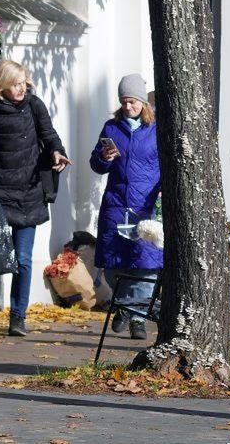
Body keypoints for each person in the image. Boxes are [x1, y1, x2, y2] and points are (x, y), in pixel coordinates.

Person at [0, 59, 71, 336]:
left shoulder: (34, 106)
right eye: (15, 84)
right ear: (1, 85)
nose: (21, 88)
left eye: (24, 83)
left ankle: (18, 317)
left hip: (28, 192)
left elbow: (49, 135)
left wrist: (57, 153)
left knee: (23, 259)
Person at [88, 74, 161, 341]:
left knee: (146, 265)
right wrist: (104, 157)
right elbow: (96, 165)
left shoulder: (156, 129)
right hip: (116, 204)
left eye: (132, 101)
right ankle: (125, 306)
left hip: (145, 206)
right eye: (124, 102)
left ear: (143, 102)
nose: (128, 106)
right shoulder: (111, 127)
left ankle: (136, 318)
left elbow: (166, 165)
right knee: (113, 264)